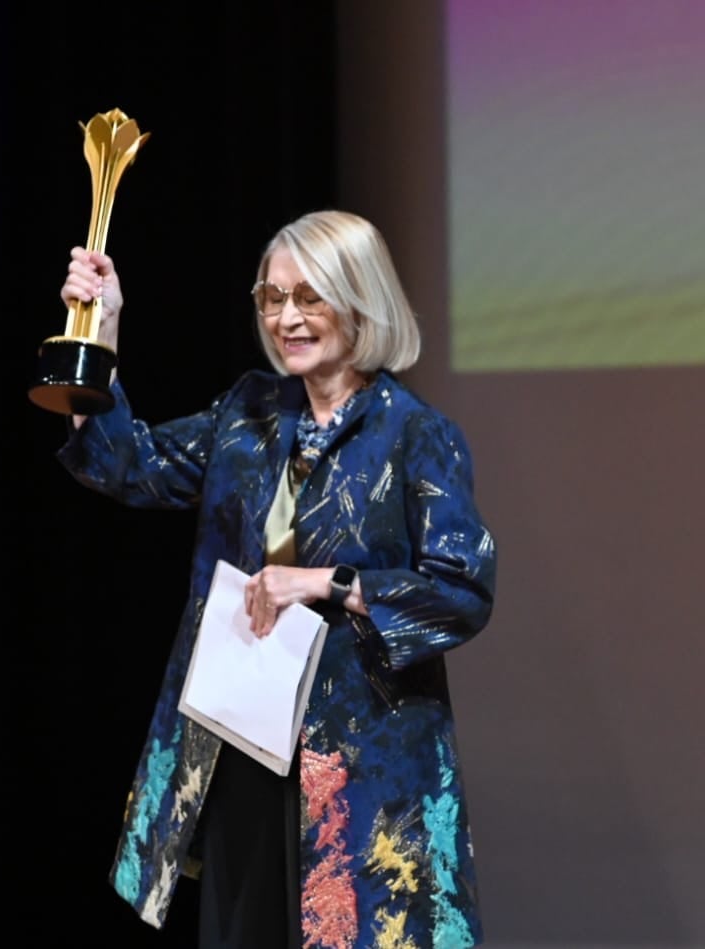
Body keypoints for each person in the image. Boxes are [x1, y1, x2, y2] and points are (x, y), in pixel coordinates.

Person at [55, 209, 497, 948]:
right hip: (244, 745)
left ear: (360, 300)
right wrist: (98, 331)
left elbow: (462, 591)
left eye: (309, 297)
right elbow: (124, 464)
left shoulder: (415, 435)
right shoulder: (249, 413)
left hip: (359, 771)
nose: (287, 317)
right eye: (272, 297)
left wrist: (330, 581)